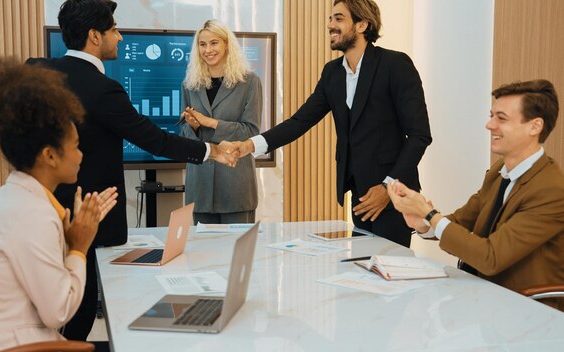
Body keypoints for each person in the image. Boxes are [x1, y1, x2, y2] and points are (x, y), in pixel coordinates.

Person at [26, 0, 238, 340]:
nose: (121, 38)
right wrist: (211, 150)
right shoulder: (102, 89)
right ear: (94, 36)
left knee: (53, 311)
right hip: (88, 217)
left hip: (43, 213)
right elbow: (154, 139)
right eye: (114, 30)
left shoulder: (36, 72)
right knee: (77, 313)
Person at [232, 0, 432, 247]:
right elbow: (299, 121)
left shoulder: (395, 65)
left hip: (394, 196)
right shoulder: (332, 73)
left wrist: (387, 187)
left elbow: (419, 136)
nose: (330, 25)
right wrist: (250, 146)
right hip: (359, 195)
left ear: (362, 25)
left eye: (338, 18)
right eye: (330, 19)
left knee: (389, 272)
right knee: (362, 271)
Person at [0, 58, 118, 351]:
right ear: (50, 155)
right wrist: (79, 247)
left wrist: (70, 235)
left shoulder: (8, 200)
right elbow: (59, 311)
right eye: (75, 146)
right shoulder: (31, 214)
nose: (81, 155)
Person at [387, 79, 564, 312]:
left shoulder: (551, 191)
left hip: (524, 309)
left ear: (534, 126)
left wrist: (429, 213)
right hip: (481, 293)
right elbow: (460, 221)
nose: (489, 125)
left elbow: (491, 257)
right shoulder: (499, 173)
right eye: (492, 116)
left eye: (501, 118)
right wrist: (423, 223)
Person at [179, 19, 261, 224]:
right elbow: (183, 135)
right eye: (202, 44)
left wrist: (211, 123)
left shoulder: (249, 82)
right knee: (203, 255)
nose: (208, 50)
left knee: (238, 256)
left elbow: (251, 131)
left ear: (226, 45)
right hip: (200, 188)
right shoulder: (189, 85)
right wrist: (194, 128)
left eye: (214, 43)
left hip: (236, 187)